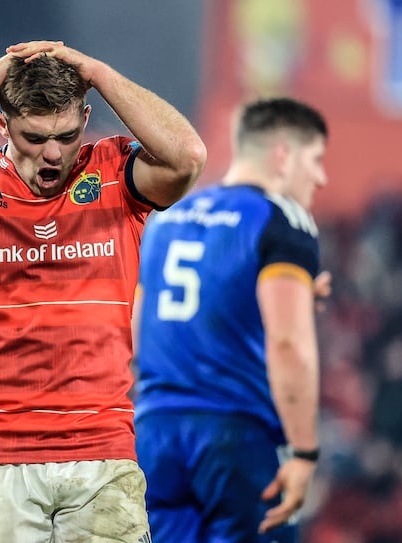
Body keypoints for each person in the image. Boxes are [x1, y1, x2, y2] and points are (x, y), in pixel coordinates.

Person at [0, 40, 206, 543]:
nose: (54, 153)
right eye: (35, 136)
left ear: (86, 118)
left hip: (102, 455)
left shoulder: (114, 173)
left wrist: (99, 71)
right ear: (2, 125)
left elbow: (186, 156)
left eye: (68, 134)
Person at [133, 97, 330, 543]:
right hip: (234, 437)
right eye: (315, 161)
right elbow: (287, 342)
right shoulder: (283, 220)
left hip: (154, 436)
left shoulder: (167, 219)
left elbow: (138, 328)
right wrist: (303, 451)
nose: (321, 177)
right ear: (283, 155)